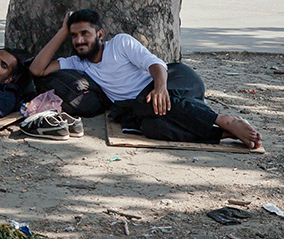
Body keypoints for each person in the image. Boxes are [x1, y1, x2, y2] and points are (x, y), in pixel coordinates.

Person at [28, 9, 262, 149]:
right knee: (152, 127)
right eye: (74, 36)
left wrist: (160, 88)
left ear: (100, 34)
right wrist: (62, 31)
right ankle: (221, 134)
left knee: (149, 102)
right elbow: (38, 70)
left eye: (85, 34)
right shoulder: (77, 62)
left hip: (175, 81)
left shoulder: (119, 43)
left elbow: (156, 64)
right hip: (145, 108)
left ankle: (223, 120)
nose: (79, 40)